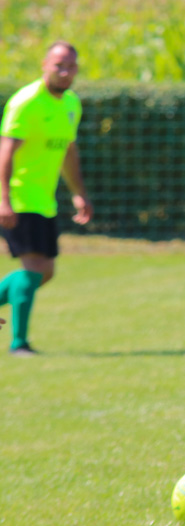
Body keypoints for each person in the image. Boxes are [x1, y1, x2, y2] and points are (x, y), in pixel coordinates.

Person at [0, 41, 93, 355]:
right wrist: (4, 199)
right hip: (19, 197)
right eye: (58, 65)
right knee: (32, 268)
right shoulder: (26, 102)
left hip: (44, 200)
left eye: (70, 66)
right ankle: (18, 343)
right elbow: (6, 151)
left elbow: (68, 150)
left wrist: (79, 193)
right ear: (44, 64)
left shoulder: (70, 104)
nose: (64, 71)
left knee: (45, 271)